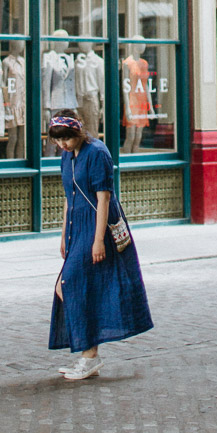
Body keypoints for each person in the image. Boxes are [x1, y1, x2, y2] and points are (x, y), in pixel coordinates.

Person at [47, 113, 153, 382]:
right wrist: (63, 235)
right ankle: (88, 352)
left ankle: (90, 356)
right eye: (59, 141)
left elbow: (104, 198)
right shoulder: (66, 157)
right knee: (70, 286)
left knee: (71, 285)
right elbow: (69, 198)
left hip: (97, 227)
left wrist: (97, 240)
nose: (63, 145)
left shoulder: (97, 152)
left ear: (79, 132)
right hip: (77, 227)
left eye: (67, 138)